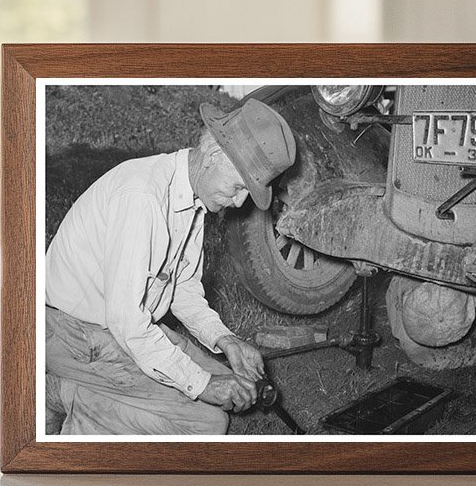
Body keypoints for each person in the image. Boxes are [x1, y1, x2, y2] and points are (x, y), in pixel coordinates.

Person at [44, 97, 296, 435]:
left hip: (115, 324)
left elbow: (183, 291)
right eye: (238, 187)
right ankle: (63, 396)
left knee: (227, 384)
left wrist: (226, 340)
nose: (238, 203)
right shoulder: (142, 198)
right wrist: (204, 385)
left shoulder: (190, 199)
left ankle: (83, 394)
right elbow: (128, 324)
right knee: (207, 421)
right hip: (72, 333)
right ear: (214, 156)